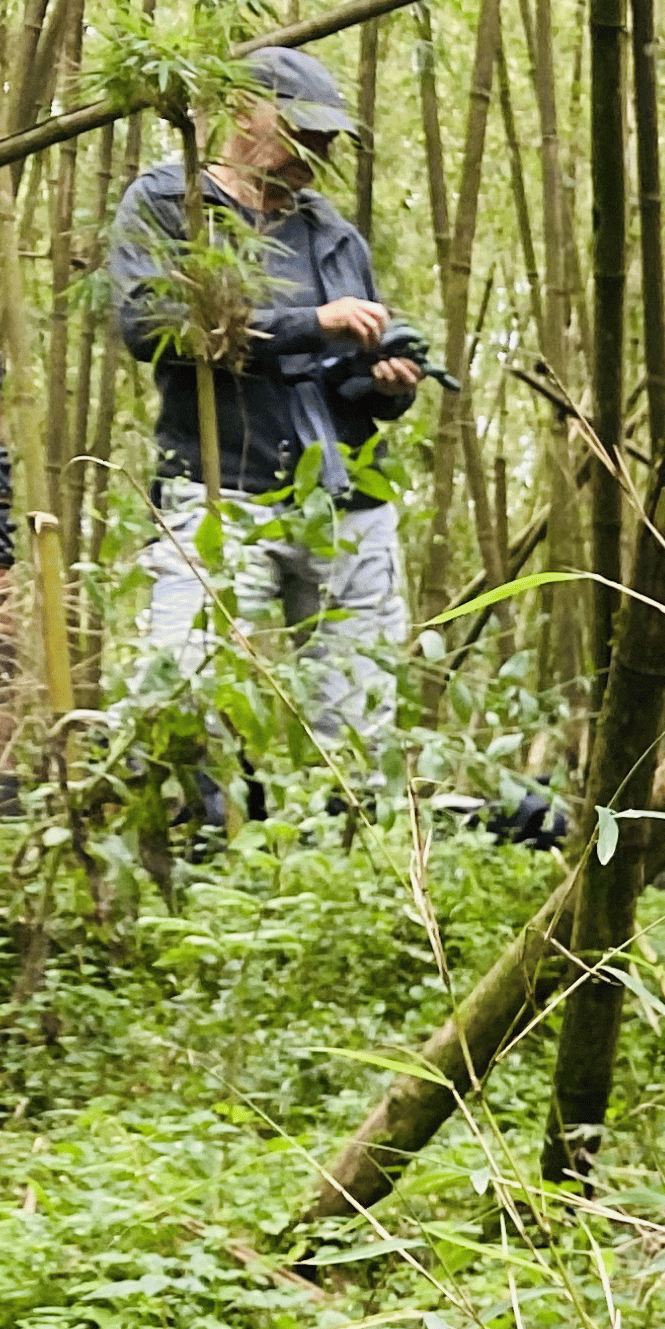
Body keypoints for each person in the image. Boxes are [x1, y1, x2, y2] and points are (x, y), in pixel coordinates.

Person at [107, 43, 423, 782]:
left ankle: (356, 872)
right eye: (301, 132)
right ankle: (195, 867)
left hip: (348, 500)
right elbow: (153, 328)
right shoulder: (171, 202)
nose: (315, 151)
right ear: (246, 113)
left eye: (325, 138)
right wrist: (316, 322)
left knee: (359, 730)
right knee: (184, 699)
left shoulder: (333, 234)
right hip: (223, 490)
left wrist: (387, 382)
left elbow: (349, 387)